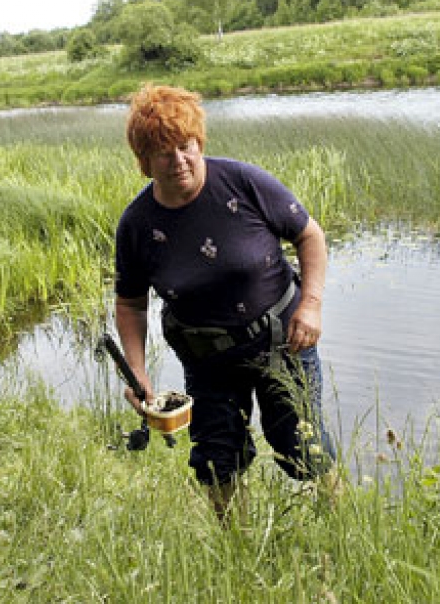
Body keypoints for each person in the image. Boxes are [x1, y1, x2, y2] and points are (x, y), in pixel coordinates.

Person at [113, 83, 338, 521]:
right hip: (207, 360)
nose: (178, 160)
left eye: (186, 145)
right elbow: (130, 303)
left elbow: (310, 235)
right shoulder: (137, 224)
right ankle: (238, 554)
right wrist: (137, 370)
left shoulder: (244, 182)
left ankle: (343, 530)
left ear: (199, 142)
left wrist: (310, 305)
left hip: (281, 343)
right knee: (217, 460)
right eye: (163, 152)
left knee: (302, 445)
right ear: (144, 162)